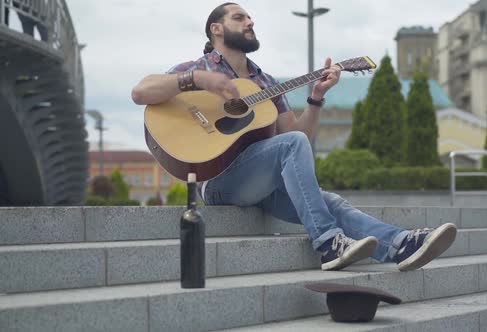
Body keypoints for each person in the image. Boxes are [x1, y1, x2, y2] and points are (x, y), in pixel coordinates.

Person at [132, 2, 457, 272]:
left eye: (250, 17)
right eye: (239, 17)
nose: (250, 21)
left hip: (259, 181)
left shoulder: (264, 81)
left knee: (330, 201)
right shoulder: (199, 66)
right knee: (299, 160)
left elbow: (296, 136)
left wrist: (316, 98)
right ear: (216, 29)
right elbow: (140, 92)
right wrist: (195, 79)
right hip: (217, 180)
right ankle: (329, 243)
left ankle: (401, 244)